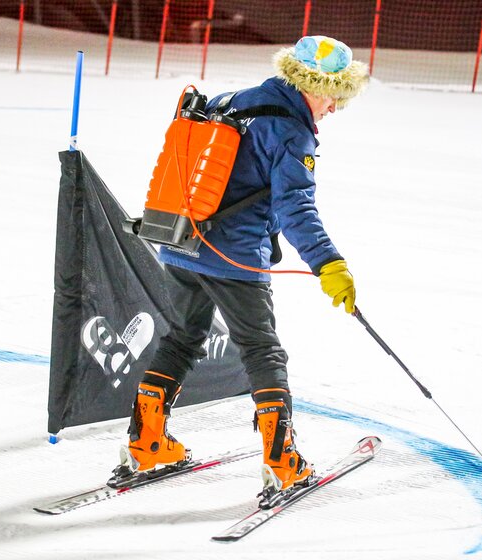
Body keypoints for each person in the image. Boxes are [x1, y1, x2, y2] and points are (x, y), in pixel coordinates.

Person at [121, 36, 369, 495]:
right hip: (232, 258)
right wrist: (329, 264)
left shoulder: (227, 102)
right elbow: (296, 210)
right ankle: (281, 459)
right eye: (335, 95)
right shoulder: (290, 131)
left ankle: (147, 441)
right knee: (262, 351)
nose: (334, 108)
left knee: (182, 338)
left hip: (178, 243)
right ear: (313, 85)